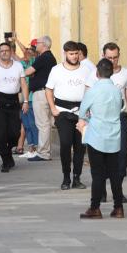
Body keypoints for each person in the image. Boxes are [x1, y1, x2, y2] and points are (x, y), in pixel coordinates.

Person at [76, 58, 124, 219]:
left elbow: (82, 112)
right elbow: (121, 107)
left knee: (97, 174)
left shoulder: (93, 91)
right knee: (114, 173)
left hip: (96, 135)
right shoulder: (117, 90)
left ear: (97, 73)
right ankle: (118, 207)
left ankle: (95, 207)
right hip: (114, 135)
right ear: (111, 72)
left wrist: (89, 117)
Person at [45, 41, 93, 190]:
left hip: (81, 113)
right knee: (65, 144)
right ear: (65, 53)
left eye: (76, 53)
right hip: (62, 111)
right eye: (71, 54)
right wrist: (53, 109)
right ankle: (66, 176)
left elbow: (92, 89)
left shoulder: (86, 70)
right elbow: (48, 90)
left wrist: (90, 111)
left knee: (80, 147)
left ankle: (77, 178)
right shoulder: (56, 70)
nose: (74, 56)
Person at [99, 42, 127, 202]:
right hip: (100, 119)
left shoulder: (125, 74)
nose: (113, 60)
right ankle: (100, 189)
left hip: (120, 118)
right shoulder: (96, 74)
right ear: (103, 56)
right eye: (109, 57)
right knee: (101, 155)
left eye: (115, 57)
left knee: (122, 153)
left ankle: (118, 190)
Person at [0, 42, 28, 173]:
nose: (4, 53)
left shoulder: (18, 66)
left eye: (7, 50)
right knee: (0, 133)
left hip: (13, 101)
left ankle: (6, 152)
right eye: (1, 51)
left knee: (15, 133)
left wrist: (25, 101)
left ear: (11, 52)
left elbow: (23, 85)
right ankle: (6, 161)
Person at [22, 35, 57, 162]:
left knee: (42, 124)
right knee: (45, 123)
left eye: (38, 43)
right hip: (46, 93)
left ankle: (43, 152)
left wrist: (15, 71)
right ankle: (45, 151)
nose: (36, 45)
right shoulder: (50, 57)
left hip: (41, 93)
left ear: (44, 44)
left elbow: (27, 72)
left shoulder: (44, 57)